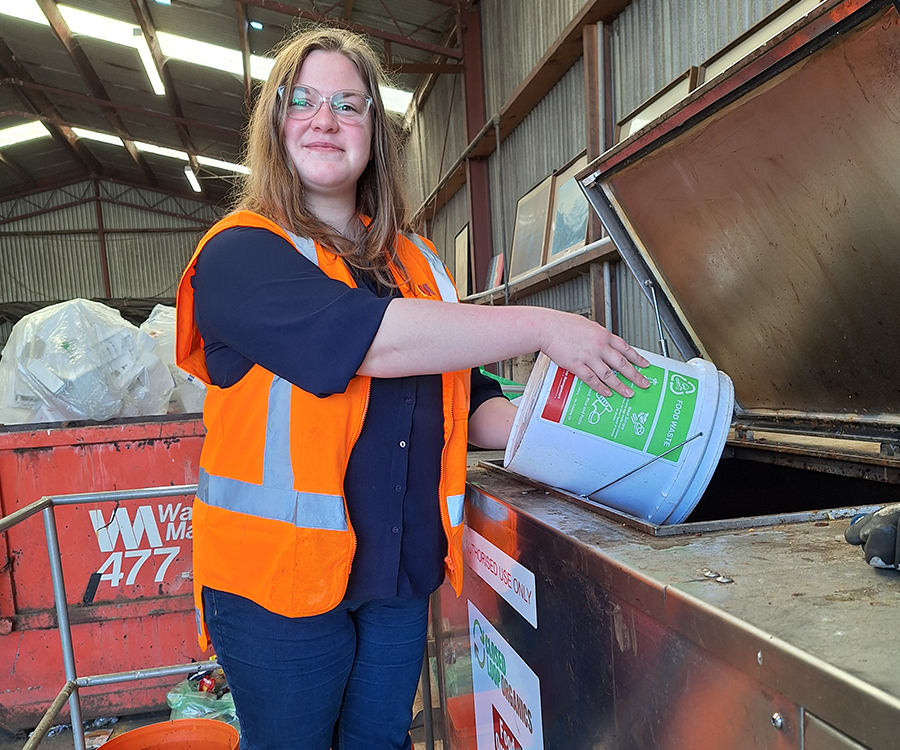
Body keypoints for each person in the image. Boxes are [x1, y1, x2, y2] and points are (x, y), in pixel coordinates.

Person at [175, 26, 650, 750]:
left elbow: (473, 396)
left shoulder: (417, 263)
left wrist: (597, 416)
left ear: (375, 132)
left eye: (349, 103)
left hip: (395, 575)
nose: (325, 119)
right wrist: (547, 327)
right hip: (279, 584)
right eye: (302, 100)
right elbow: (372, 341)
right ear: (275, 124)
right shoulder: (241, 253)